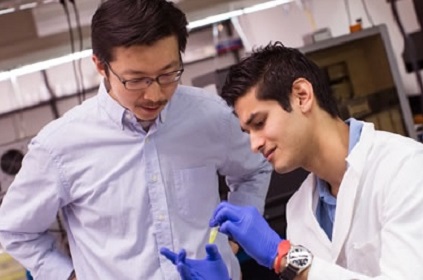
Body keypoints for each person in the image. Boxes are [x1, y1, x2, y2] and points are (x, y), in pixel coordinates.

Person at [0, 1, 272, 279]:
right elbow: (14, 229)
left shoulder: (210, 115)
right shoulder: (59, 146)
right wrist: (68, 275)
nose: (155, 95)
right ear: (100, 66)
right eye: (136, 80)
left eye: (168, 74)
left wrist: (236, 234)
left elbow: (255, 169)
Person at [160, 41, 423, 279]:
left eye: (260, 123)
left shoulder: (405, 168)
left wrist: (285, 256)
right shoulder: (298, 210)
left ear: (301, 95)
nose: (254, 144)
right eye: (248, 132)